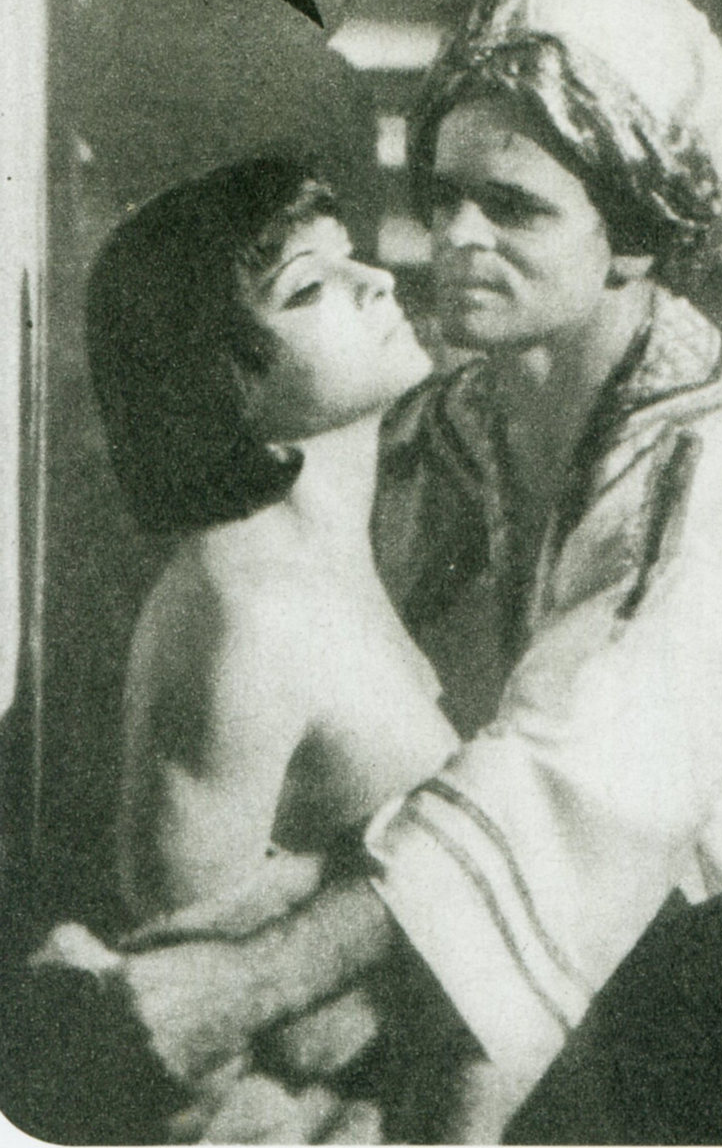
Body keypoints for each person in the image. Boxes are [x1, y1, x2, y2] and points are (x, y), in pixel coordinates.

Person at [36, 0, 722, 1145]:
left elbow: (576, 777)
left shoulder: (719, 459)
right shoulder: (474, 413)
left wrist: (242, 980)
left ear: (632, 238)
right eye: (443, 195)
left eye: (515, 207)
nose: (453, 238)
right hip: (592, 915)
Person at [42, 155, 509, 1143]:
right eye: (308, 287)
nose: (375, 280)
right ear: (217, 386)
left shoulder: (334, 549)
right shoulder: (240, 613)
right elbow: (181, 1035)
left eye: (351, 256)